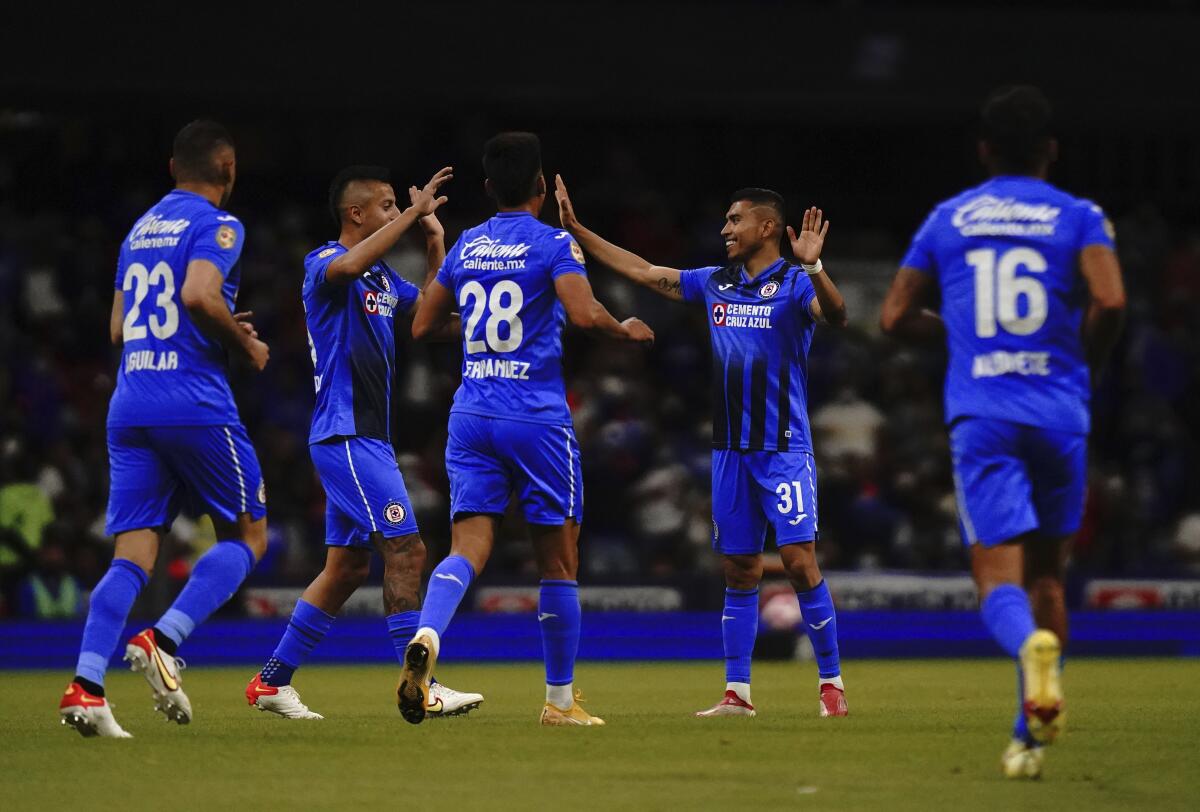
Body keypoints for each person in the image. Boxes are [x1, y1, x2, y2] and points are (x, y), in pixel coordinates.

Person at [880, 85, 1126, 778]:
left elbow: (894, 317)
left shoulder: (948, 218)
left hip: (984, 412)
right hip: (1060, 409)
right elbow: (1110, 299)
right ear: (1051, 151)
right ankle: (1028, 734)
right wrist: (1086, 363)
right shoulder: (1079, 214)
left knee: (997, 577)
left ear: (984, 150)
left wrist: (957, 331)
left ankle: (1029, 655)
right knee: (1050, 576)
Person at [557, 178, 852, 719]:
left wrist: (814, 267)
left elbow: (834, 316)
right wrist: (579, 231)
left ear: (767, 227)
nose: (725, 229)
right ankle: (737, 693)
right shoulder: (716, 282)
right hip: (729, 452)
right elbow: (645, 272)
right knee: (739, 569)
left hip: (784, 447)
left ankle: (830, 683)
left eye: (734, 220)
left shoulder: (794, 282)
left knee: (798, 561)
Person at [399, 132, 654, 726]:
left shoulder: (467, 244)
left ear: (488, 188)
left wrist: (486, 332)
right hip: (535, 417)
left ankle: (429, 634)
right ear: (541, 186)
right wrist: (627, 329)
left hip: (471, 414)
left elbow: (423, 327)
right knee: (558, 563)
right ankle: (559, 704)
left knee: (468, 546)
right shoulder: (554, 242)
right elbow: (586, 314)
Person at [245, 165, 482, 719]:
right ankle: (421, 682)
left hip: (367, 438)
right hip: (345, 433)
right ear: (356, 214)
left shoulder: (381, 282)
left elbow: (432, 318)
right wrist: (411, 215)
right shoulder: (324, 262)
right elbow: (348, 264)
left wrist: (435, 242)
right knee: (408, 548)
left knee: (347, 569)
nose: (398, 210)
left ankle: (272, 682)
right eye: (387, 205)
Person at [60, 120, 272, 738]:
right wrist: (241, 340)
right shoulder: (217, 225)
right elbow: (202, 294)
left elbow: (118, 331)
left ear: (171, 167)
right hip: (194, 402)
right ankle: (163, 638)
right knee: (249, 533)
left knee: (132, 553)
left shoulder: (139, 230)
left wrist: (199, 321)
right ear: (227, 168)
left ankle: (86, 685)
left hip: (130, 403)